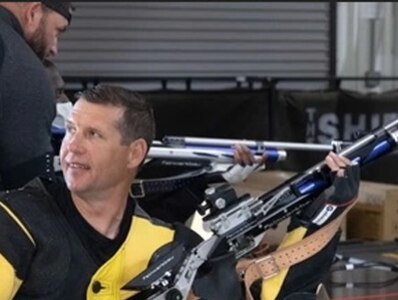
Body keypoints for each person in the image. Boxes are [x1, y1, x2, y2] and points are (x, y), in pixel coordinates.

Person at [0, 84, 359, 300]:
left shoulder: (166, 244)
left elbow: (271, 288)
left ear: (135, 153)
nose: (71, 147)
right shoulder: (16, 222)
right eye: (72, 129)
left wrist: (326, 212)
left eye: (93, 135)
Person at [0, 1, 72, 190]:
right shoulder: (19, 68)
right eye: (57, 31)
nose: (54, 49)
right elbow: (29, 189)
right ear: (33, 13)